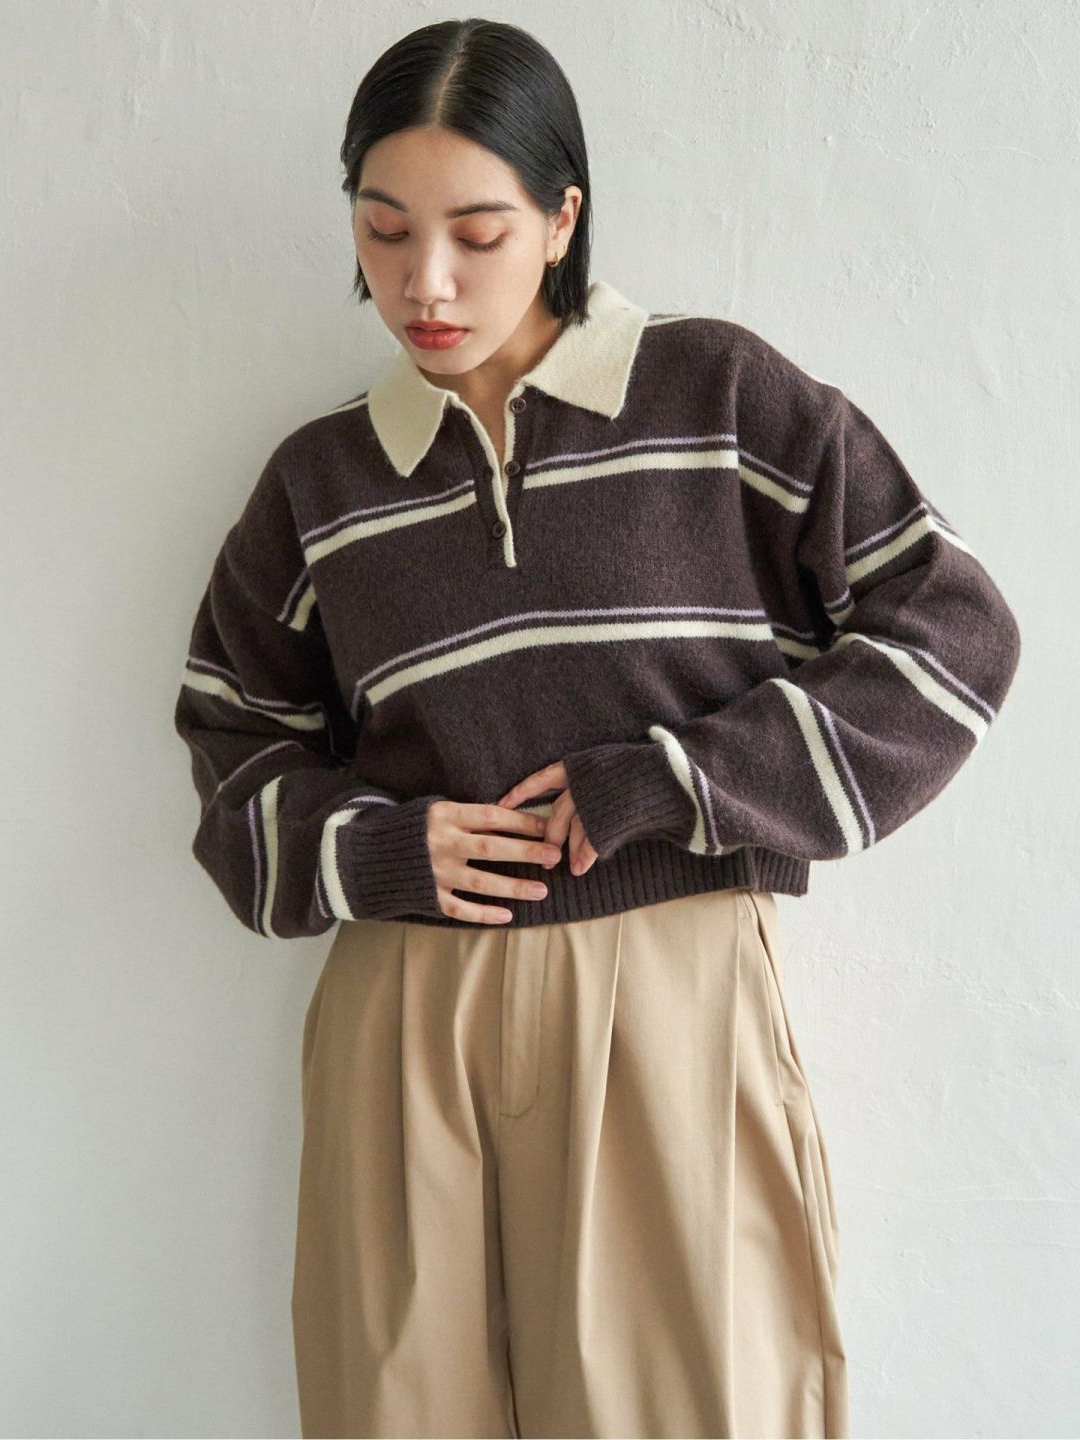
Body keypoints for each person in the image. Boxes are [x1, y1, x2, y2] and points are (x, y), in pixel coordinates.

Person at [173, 18, 1022, 1440]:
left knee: (690, 1407)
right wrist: (375, 850)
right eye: (384, 231)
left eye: (478, 233)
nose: (425, 283)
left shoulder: (716, 397)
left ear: (562, 220)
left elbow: (953, 633)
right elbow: (230, 743)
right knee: (399, 1416)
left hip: (672, 986)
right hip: (404, 1012)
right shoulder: (321, 485)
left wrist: (680, 783)